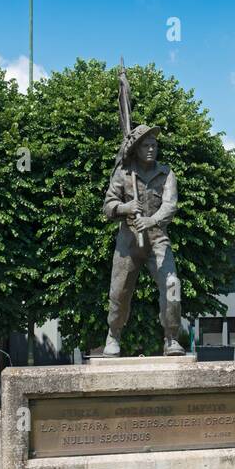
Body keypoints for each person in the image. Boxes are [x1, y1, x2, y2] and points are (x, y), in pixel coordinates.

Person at [101, 124, 184, 356]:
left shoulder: (166, 173)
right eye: (146, 145)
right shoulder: (123, 174)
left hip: (158, 239)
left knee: (172, 286)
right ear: (136, 149)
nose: (151, 149)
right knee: (119, 292)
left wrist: (152, 220)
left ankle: (172, 338)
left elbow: (170, 205)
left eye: (154, 145)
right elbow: (108, 206)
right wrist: (125, 207)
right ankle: (113, 334)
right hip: (128, 242)